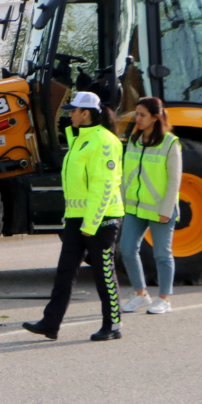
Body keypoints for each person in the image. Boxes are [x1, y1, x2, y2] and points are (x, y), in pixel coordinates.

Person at [24, 91, 126, 342]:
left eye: (73, 110)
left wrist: (90, 223)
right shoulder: (81, 139)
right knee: (65, 272)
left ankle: (113, 324)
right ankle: (50, 323)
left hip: (101, 219)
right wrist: (73, 218)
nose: (69, 114)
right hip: (77, 217)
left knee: (104, 273)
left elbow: (103, 186)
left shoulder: (104, 141)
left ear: (86, 113)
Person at [119, 97, 182, 315]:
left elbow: (174, 180)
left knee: (162, 254)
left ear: (156, 117)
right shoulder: (134, 140)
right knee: (126, 249)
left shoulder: (170, 143)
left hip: (160, 209)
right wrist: (122, 203)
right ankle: (141, 295)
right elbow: (126, 174)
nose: (137, 119)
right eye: (136, 114)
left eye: (142, 115)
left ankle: (164, 299)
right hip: (135, 207)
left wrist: (166, 210)